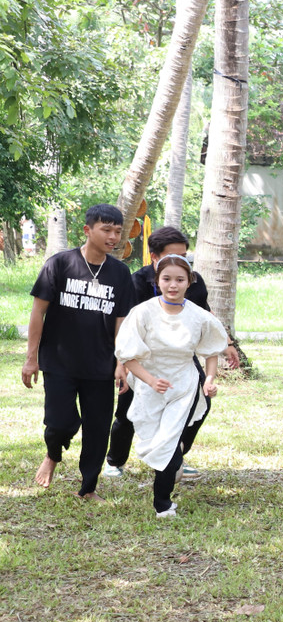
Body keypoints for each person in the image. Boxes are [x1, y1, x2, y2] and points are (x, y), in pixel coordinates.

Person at [105, 226, 240, 482]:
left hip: (180, 357)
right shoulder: (136, 282)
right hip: (143, 358)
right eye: (172, 256)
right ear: (155, 258)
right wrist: (121, 362)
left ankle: (175, 454)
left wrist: (227, 342)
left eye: (184, 256)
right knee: (128, 410)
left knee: (201, 400)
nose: (180, 263)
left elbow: (205, 315)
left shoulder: (194, 281)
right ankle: (116, 460)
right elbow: (124, 323)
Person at [23, 204, 136, 498]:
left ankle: (88, 488)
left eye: (117, 231)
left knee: (98, 430)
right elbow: (38, 312)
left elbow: (122, 320)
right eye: (106, 230)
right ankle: (53, 454)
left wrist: (121, 362)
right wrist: (30, 358)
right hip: (59, 360)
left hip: (100, 364)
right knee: (59, 422)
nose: (113, 237)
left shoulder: (121, 273)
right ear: (87, 230)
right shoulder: (60, 264)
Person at [113, 255, 229, 518]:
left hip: (184, 386)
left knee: (168, 443)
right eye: (167, 279)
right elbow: (128, 356)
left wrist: (209, 379)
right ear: (158, 281)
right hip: (148, 384)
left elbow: (212, 350)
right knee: (158, 443)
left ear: (189, 282)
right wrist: (151, 380)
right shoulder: (142, 312)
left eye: (180, 279)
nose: (173, 285)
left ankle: (162, 503)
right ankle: (173, 461)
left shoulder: (199, 316)